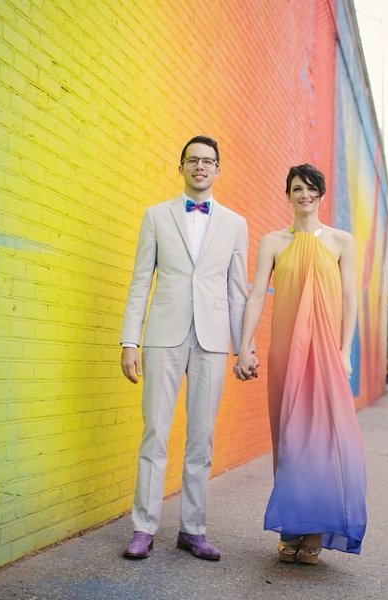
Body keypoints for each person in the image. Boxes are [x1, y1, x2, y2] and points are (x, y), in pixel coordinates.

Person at [120, 135, 249, 561]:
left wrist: (243, 347)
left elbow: (236, 290)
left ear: (217, 169)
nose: (200, 166)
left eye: (208, 160)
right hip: (164, 336)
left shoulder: (235, 223)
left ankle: (193, 530)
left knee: (201, 439)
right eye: (192, 160)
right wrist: (129, 340)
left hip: (212, 340)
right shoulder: (156, 216)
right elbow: (141, 281)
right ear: (181, 167)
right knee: (155, 431)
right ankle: (144, 527)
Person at [234, 164, 367, 565]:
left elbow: (349, 301)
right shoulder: (273, 242)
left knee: (324, 441)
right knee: (290, 438)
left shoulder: (342, 242)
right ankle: (292, 527)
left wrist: (345, 352)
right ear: (288, 195)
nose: (304, 194)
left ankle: (314, 532)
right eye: (296, 189)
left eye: (311, 188)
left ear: (321, 195)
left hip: (326, 352)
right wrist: (244, 345)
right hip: (285, 351)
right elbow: (256, 295)